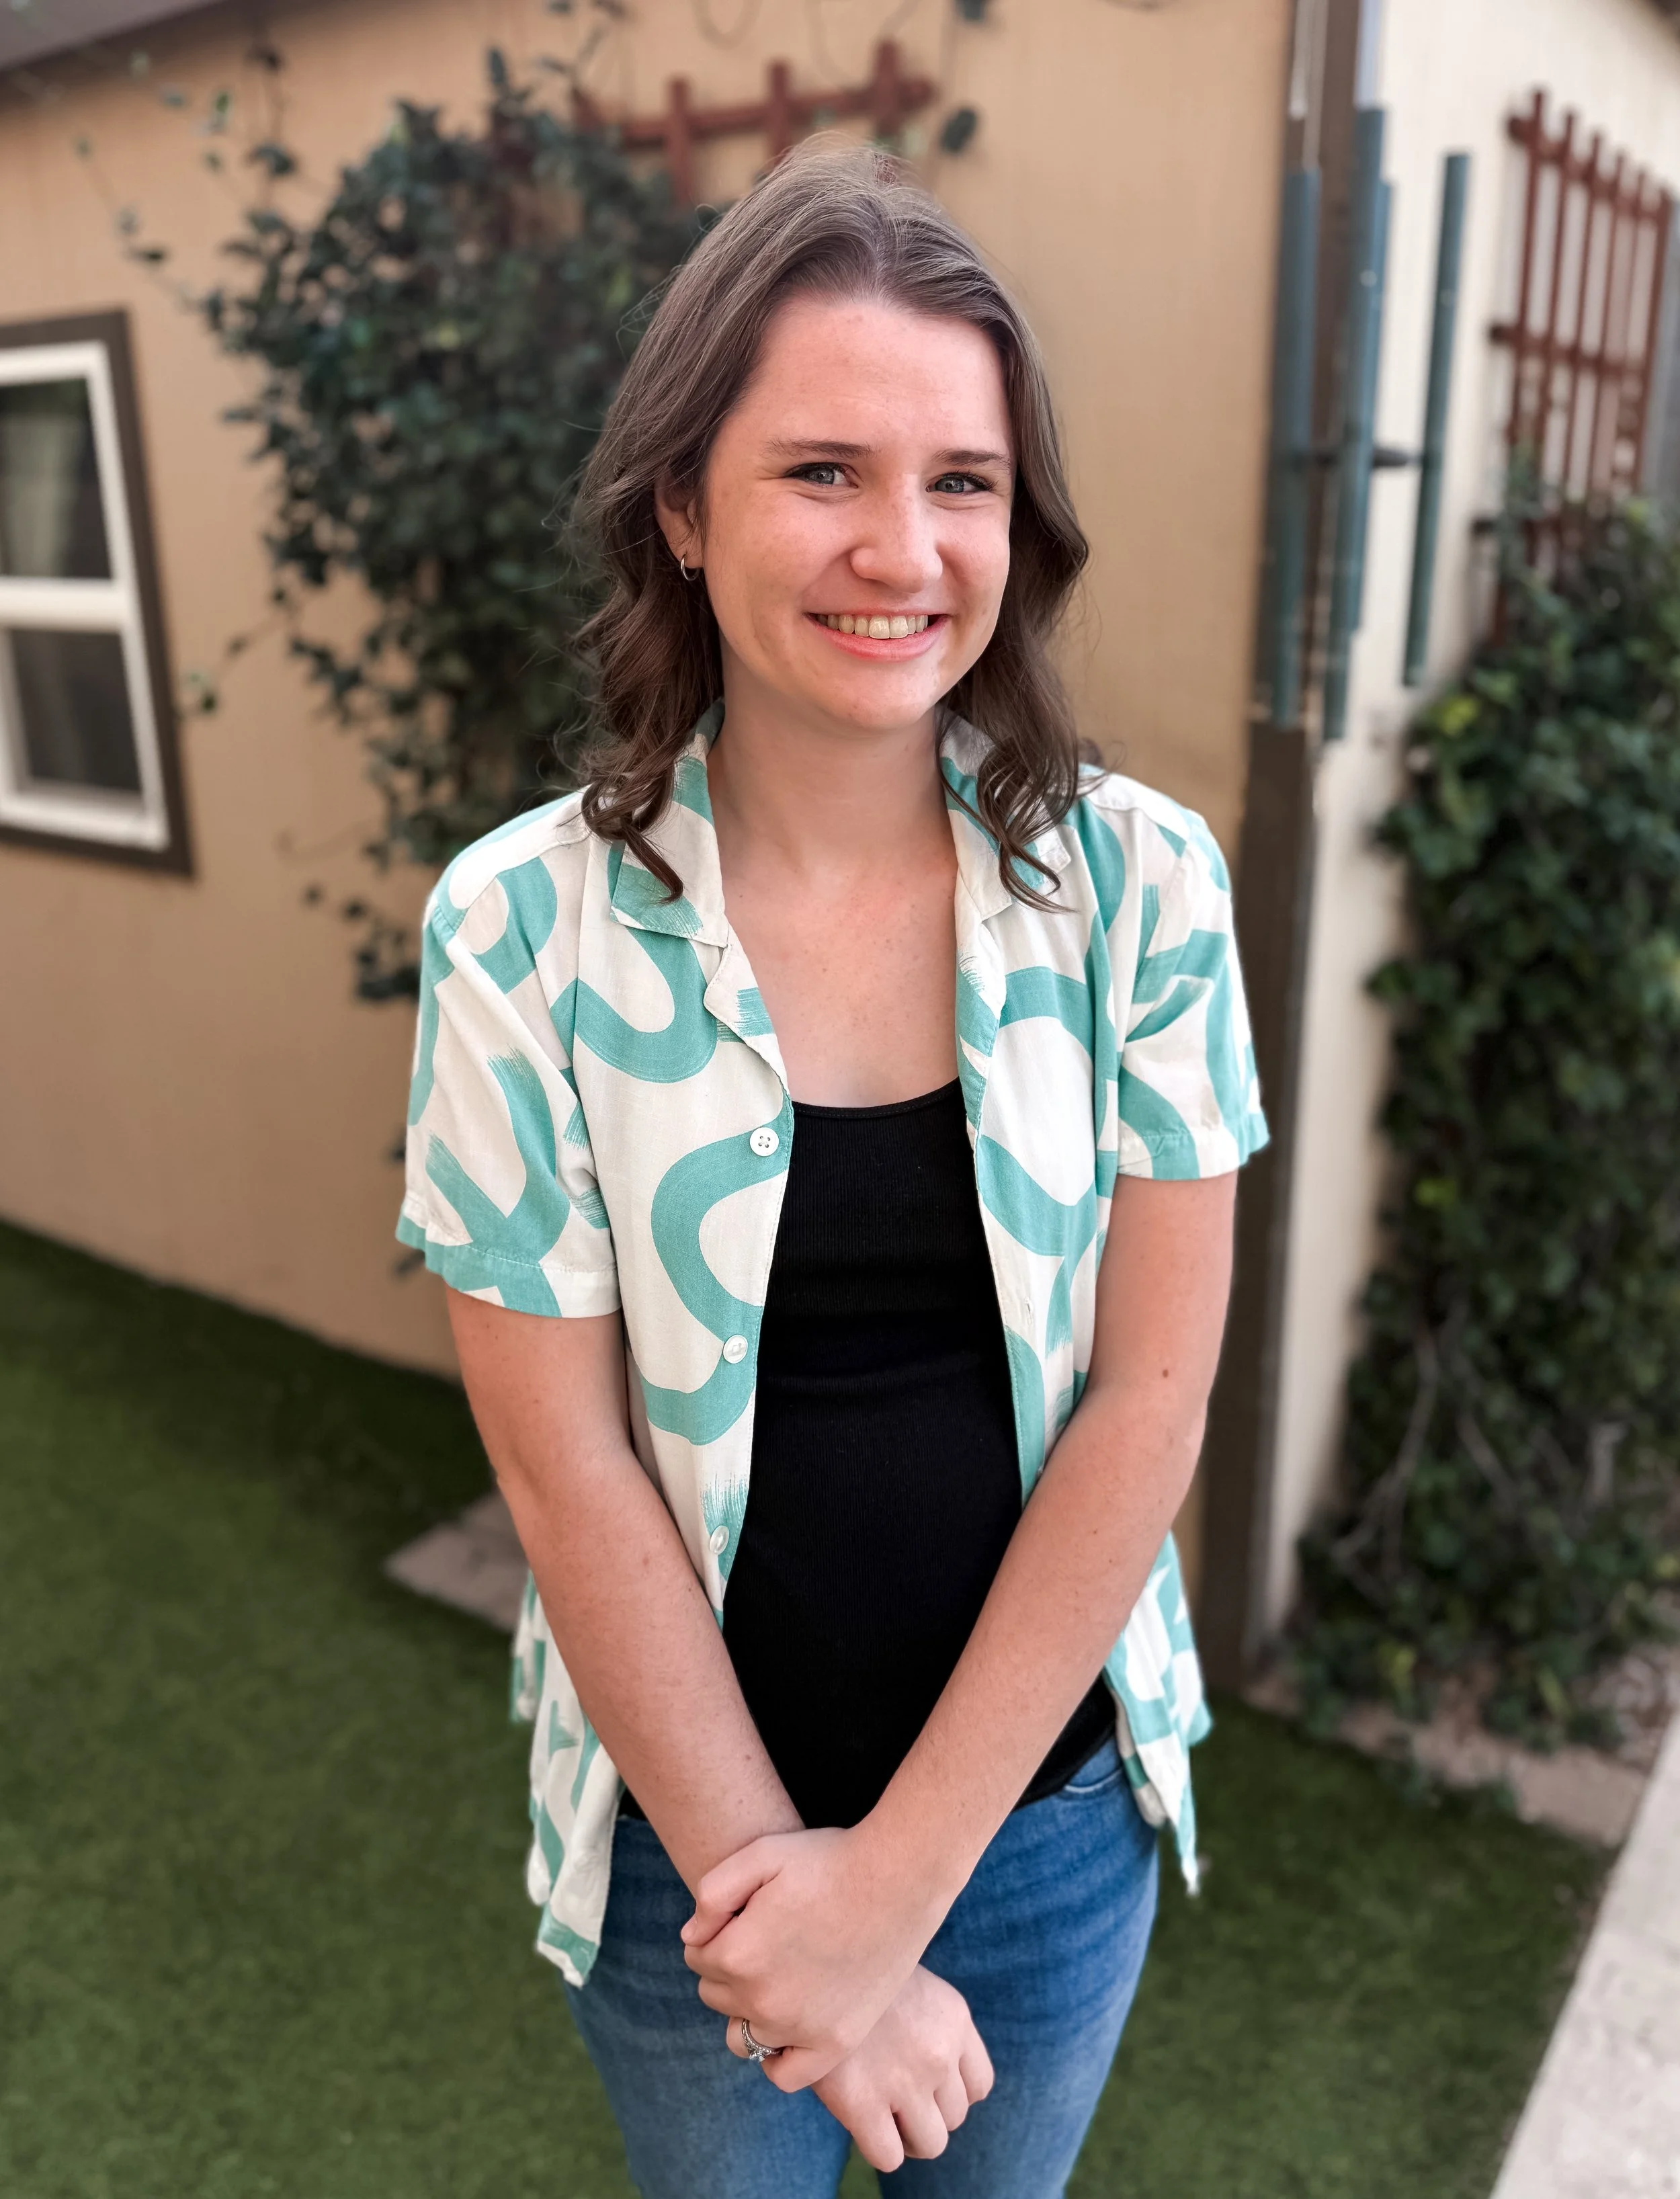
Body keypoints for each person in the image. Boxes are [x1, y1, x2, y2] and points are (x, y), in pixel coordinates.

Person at [398, 142, 1267, 2199]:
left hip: (1045, 1830)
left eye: (959, 480)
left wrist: (899, 1890)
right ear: (681, 508)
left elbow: (1153, 1394)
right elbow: (563, 1462)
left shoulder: (1139, 889)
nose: (903, 548)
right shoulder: (521, 933)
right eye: (822, 474)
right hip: (693, 1867)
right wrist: (798, 1905)